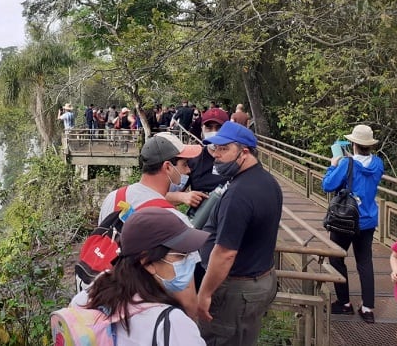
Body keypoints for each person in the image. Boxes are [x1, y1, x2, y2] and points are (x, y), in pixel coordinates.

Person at [197, 122, 283, 346]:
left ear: (244, 152)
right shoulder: (268, 181)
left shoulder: (239, 194)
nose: (217, 156)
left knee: (222, 339)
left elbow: (225, 253)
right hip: (260, 280)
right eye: (215, 149)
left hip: (237, 291)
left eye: (224, 149)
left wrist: (205, 293)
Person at [99, 132, 202, 318]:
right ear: (168, 167)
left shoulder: (114, 198)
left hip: (112, 306)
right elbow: (187, 299)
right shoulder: (175, 221)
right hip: (150, 316)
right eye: (184, 165)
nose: (188, 171)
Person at [72, 208, 208, 345]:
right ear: (147, 262)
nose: (190, 261)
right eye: (181, 255)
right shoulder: (171, 325)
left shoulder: (87, 298)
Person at [322, 124, 384, 323]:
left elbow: (328, 185)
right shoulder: (378, 163)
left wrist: (333, 164)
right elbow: (364, 176)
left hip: (346, 219)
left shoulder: (345, 164)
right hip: (367, 220)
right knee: (365, 262)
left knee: (336, 258)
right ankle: (367, 309)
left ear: (353, 144)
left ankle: (344, 303)